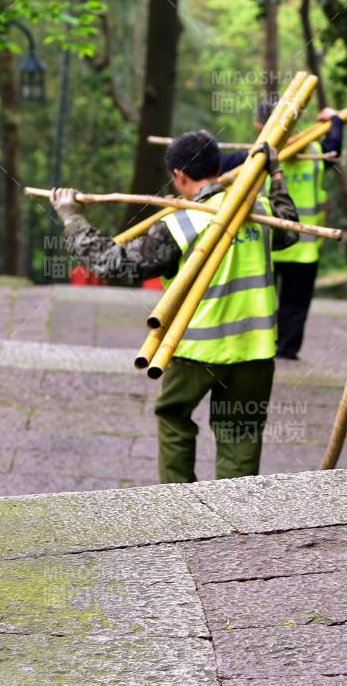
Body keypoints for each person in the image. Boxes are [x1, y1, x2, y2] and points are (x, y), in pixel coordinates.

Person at [50, 130, 299, 482]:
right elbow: (290, 227)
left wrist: (72, 219)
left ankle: (179, 502)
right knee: (241, 431)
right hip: (254, 351)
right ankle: (238, 507)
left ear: (179, 175)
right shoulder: (258, 210)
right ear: (217, 166)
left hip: (196, 350)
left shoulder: (181, 223)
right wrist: (276, 174)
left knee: (173, 416)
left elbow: (114, 264)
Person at [220, 101, 346, 360]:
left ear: (259, 126)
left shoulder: (251, 159)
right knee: (295, 304)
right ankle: (286, 350)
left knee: (258, 298)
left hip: (266, 246)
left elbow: (216, 167)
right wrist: (335, 121)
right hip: (303, 248)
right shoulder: (317, 153)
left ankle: (258, 348)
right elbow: (334, 145)